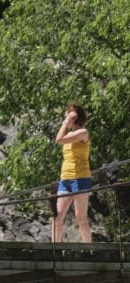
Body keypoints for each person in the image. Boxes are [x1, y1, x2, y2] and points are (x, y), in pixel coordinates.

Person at [52, 103, 92, 243]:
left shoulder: (83, 133)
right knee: (57, 216)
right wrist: (66, 122)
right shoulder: (68, 134)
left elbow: (58, 140)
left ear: (75, 117)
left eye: (68, 114)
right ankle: (54, 252)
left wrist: (66, 121)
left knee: (80, 217)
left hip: (80, 178)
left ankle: (89, 251)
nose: (66, 117)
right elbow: (60, 139)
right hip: (65, 179)